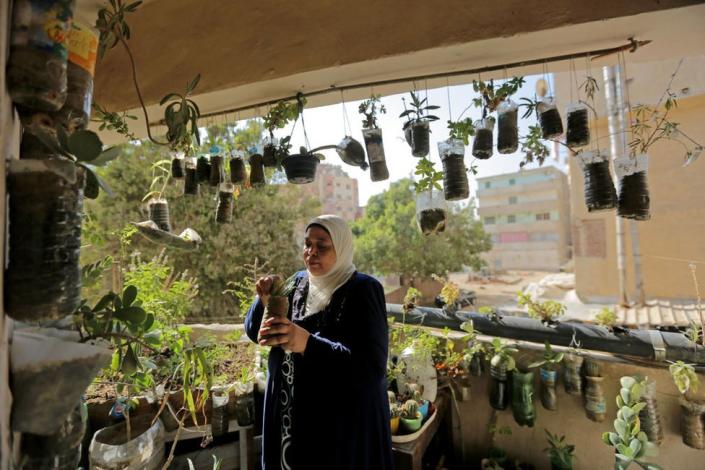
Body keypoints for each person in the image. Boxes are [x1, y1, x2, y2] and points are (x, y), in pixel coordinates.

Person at [245, 214, 393, 470]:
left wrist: (307, 343)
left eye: (321, 246)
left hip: (337, 427)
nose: (311, 252)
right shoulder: (296, 283)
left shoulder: (363, 289)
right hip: (288, 417)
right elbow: (254, 332)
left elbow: (370, 367)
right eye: (307, 244)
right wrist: (264, 302)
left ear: (342, 247)